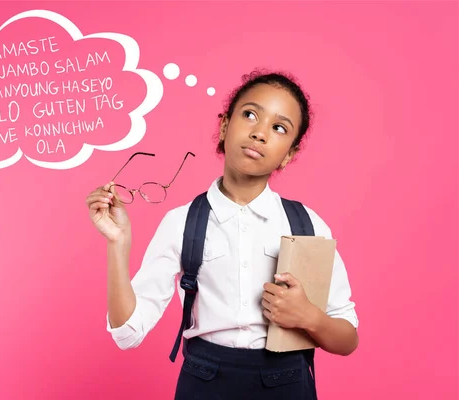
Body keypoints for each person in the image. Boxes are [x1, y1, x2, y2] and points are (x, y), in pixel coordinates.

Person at [85, 69, 359, 399]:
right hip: (204, 383)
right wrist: (118, 244)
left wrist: (310, 317)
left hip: (287, 382)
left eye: (278, 127)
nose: (260, 133)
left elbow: (347, 339)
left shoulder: (308, 225)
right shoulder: (181, 222)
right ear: (225, 125)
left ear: (289, 153)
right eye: (250, 115)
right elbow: (128, 334)